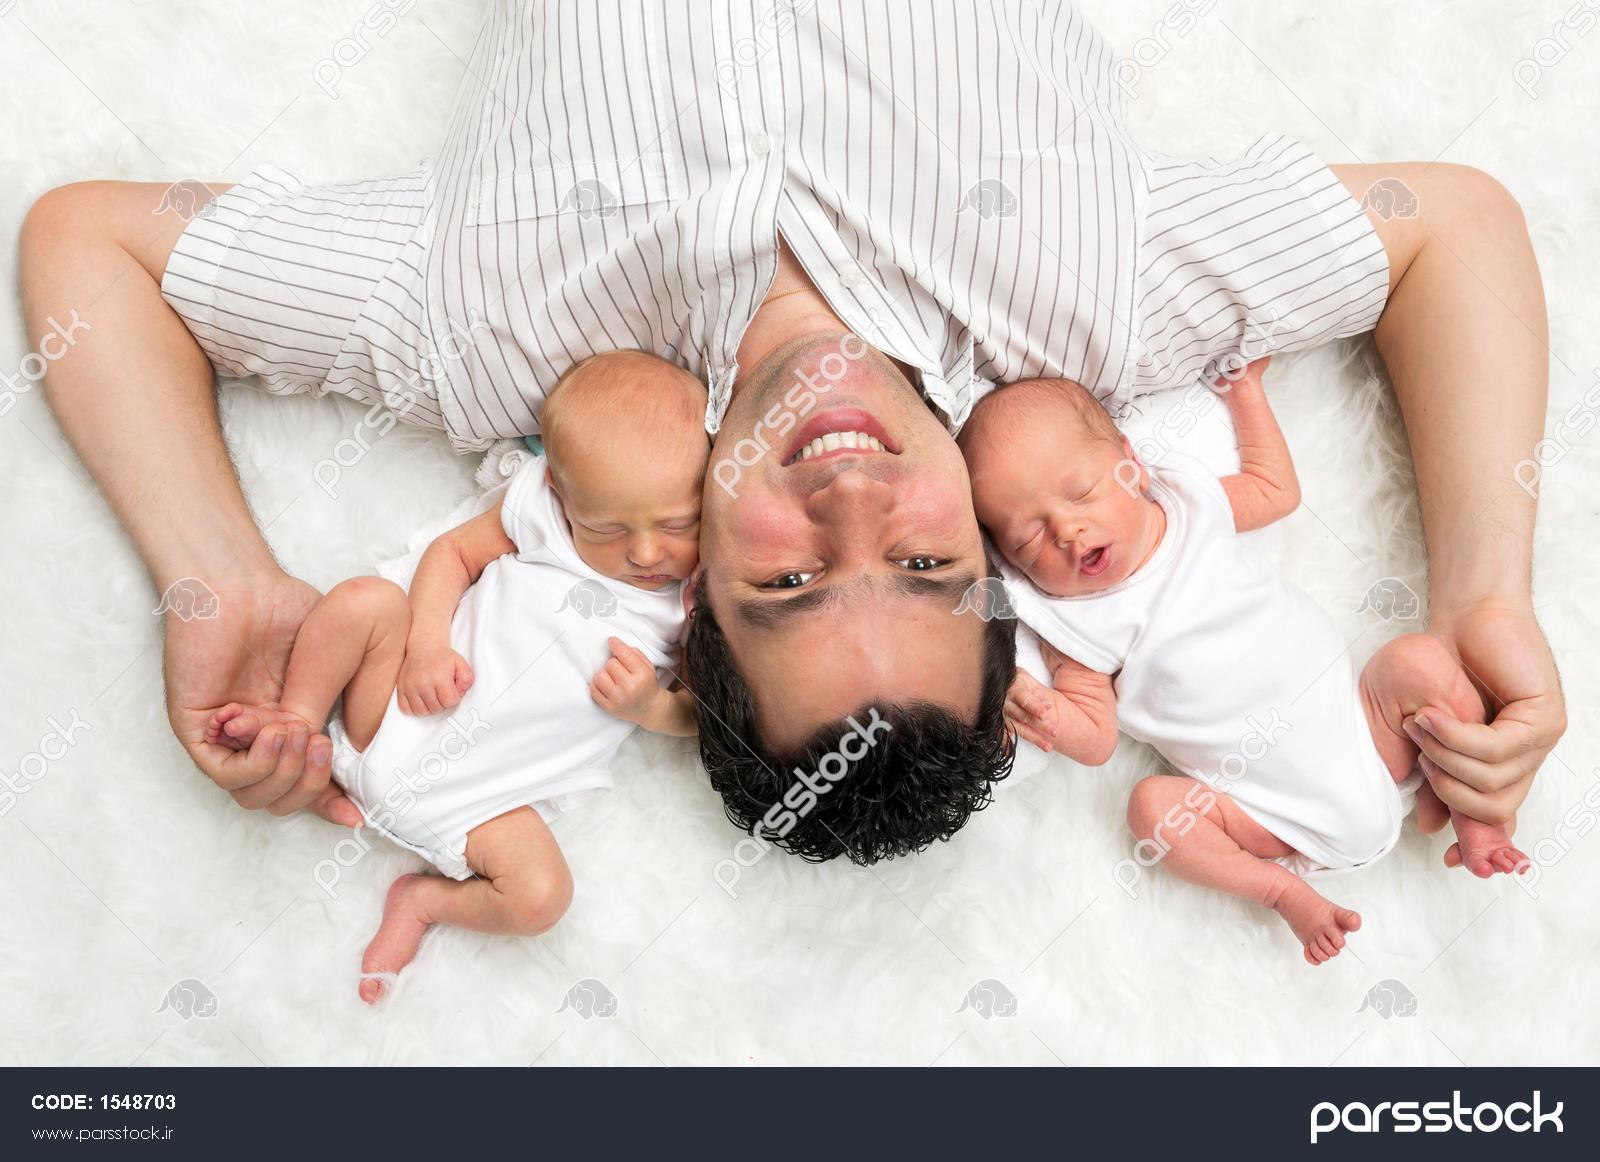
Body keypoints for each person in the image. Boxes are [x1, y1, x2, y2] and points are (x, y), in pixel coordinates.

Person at [17, 2, 1562, 856]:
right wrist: (1487, 592)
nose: (854, 501)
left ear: (689, 593)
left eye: (790, 583)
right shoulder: (1096, 315)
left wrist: (219, 575)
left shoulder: (484, 345)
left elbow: (91, 246)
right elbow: (1454, 230)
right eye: (929, 566)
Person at [964, 359, 1527, 965]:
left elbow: (1275, 489)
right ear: (1011, 561)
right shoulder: (1073, 622)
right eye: (1029, 539)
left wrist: (1246, 395)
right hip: (1263, 810)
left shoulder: (1189, 506)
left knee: (1419, 659)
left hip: (1368, 733)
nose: (1068, 530)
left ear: (1131, 465)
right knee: (1153, 812)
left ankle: (1475, 816)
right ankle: (1283, 892)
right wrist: (1040, 707)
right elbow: (1096, 738)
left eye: (1082, 493)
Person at [204, 351, 705, 1000]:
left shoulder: (692, 601)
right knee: (364, 602)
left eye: (677, 523)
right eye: (607, 528)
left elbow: (702, 715)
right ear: (561, 495)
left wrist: (652, 708)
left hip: (485, 805)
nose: (645, 551)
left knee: (541, 897)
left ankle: (423, 901)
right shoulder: (542, 517)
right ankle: (296, 721)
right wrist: (426, 647)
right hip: (388, 712)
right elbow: (452, 553)